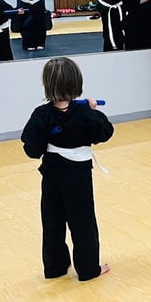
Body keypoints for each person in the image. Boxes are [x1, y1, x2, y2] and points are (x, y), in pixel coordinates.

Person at [20, 57, 114, 281]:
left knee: (52, 221)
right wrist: (93, 110)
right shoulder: (84, 113)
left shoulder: (41, 115)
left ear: (47, 85)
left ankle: (55, 268)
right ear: (76, 83)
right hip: (78, 177)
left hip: (52, 175)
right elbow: (105, 132)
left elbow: (32, 149)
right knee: (83, 223)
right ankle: (88, 269)